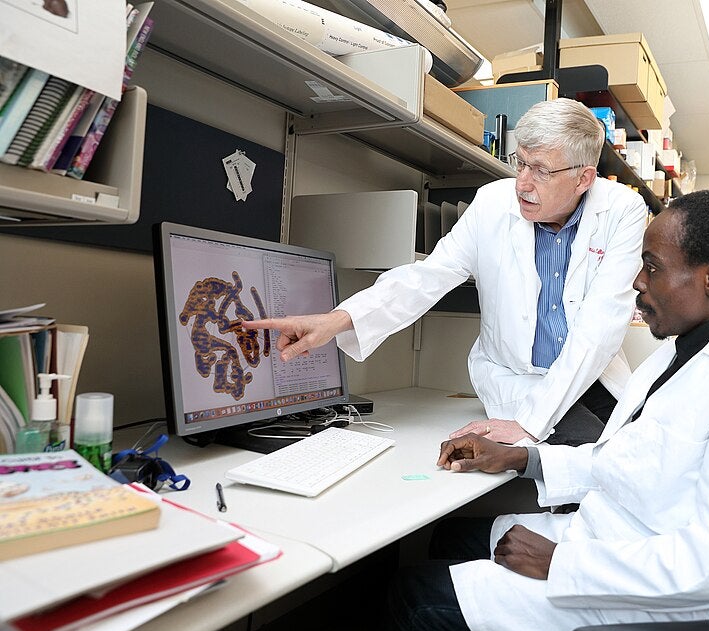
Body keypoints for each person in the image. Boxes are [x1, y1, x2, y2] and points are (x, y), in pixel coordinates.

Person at [386, 189, 709, 631]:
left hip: (650, 598)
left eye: (652, 267)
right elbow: (625, 460)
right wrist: (519, 457)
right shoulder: (688, 346)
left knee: (412, 595)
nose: (638, 281)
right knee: (444, 538)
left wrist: (560, 562)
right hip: (611, 536)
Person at [243, 98, 647, 446]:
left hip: (589, 374)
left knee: (633, 452)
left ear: (583, 178)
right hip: (516, 379)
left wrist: (529, 424)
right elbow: (428, 276)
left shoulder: (622, 211)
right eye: (520, 163)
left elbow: (600, 327)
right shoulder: (491, 204)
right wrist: (338, 320)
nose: (522, 183)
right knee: (584, 458)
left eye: (541, 170)